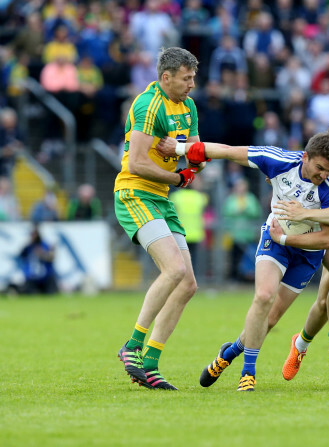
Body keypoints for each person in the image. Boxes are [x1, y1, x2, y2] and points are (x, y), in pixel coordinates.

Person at [156, 132, 329, 391]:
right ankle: (248, 373)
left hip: (306, 252)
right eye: (320, 167)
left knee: (271, 318)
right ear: (305, 157)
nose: (323, 174)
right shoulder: (278, 160)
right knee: (263, 297)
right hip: (275, 240)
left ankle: (229, 353)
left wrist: (288, 238)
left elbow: (327, 239)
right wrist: (179, 147)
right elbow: (227, 150)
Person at [113, 47, 201, 391]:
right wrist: (181, 176)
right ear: (166, 78)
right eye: (186, 78)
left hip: (162, 198)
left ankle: (149, 364)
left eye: (193, 77)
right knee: (175, 270)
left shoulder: (188, 106)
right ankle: (132, 346)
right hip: (135, 193)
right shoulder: (147, 104)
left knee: (189, 284)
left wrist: (183, 158)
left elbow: (198, 156)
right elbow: (137, 163)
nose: (192, 84)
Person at [269, 117, 329, 379]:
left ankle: (299, 345)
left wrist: (305, 214)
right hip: (325, 234)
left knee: (325, 302)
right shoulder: (316, 165)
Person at [15, 226, 58, 295]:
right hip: (32, 277)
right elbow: (20, 255)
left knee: (51, 293)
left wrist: (42, 254)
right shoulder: (29, 247)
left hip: (46, 277)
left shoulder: (45, 245)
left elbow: (51, 257)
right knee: (29, 293)